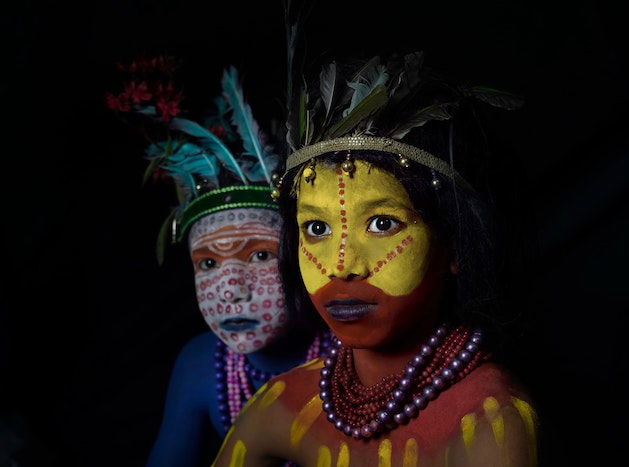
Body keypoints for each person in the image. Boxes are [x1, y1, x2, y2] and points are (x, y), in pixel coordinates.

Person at [213, 52, 537, 466]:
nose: (341, 265)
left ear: (454, 245)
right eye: (316, 229)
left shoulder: (491, 420)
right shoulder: (283, 403)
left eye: (383, 224)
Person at [107, 58, 330, 466]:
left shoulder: (352, 352)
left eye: (260, 255)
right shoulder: (201, 364)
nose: (230, 289)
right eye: (207, 264)